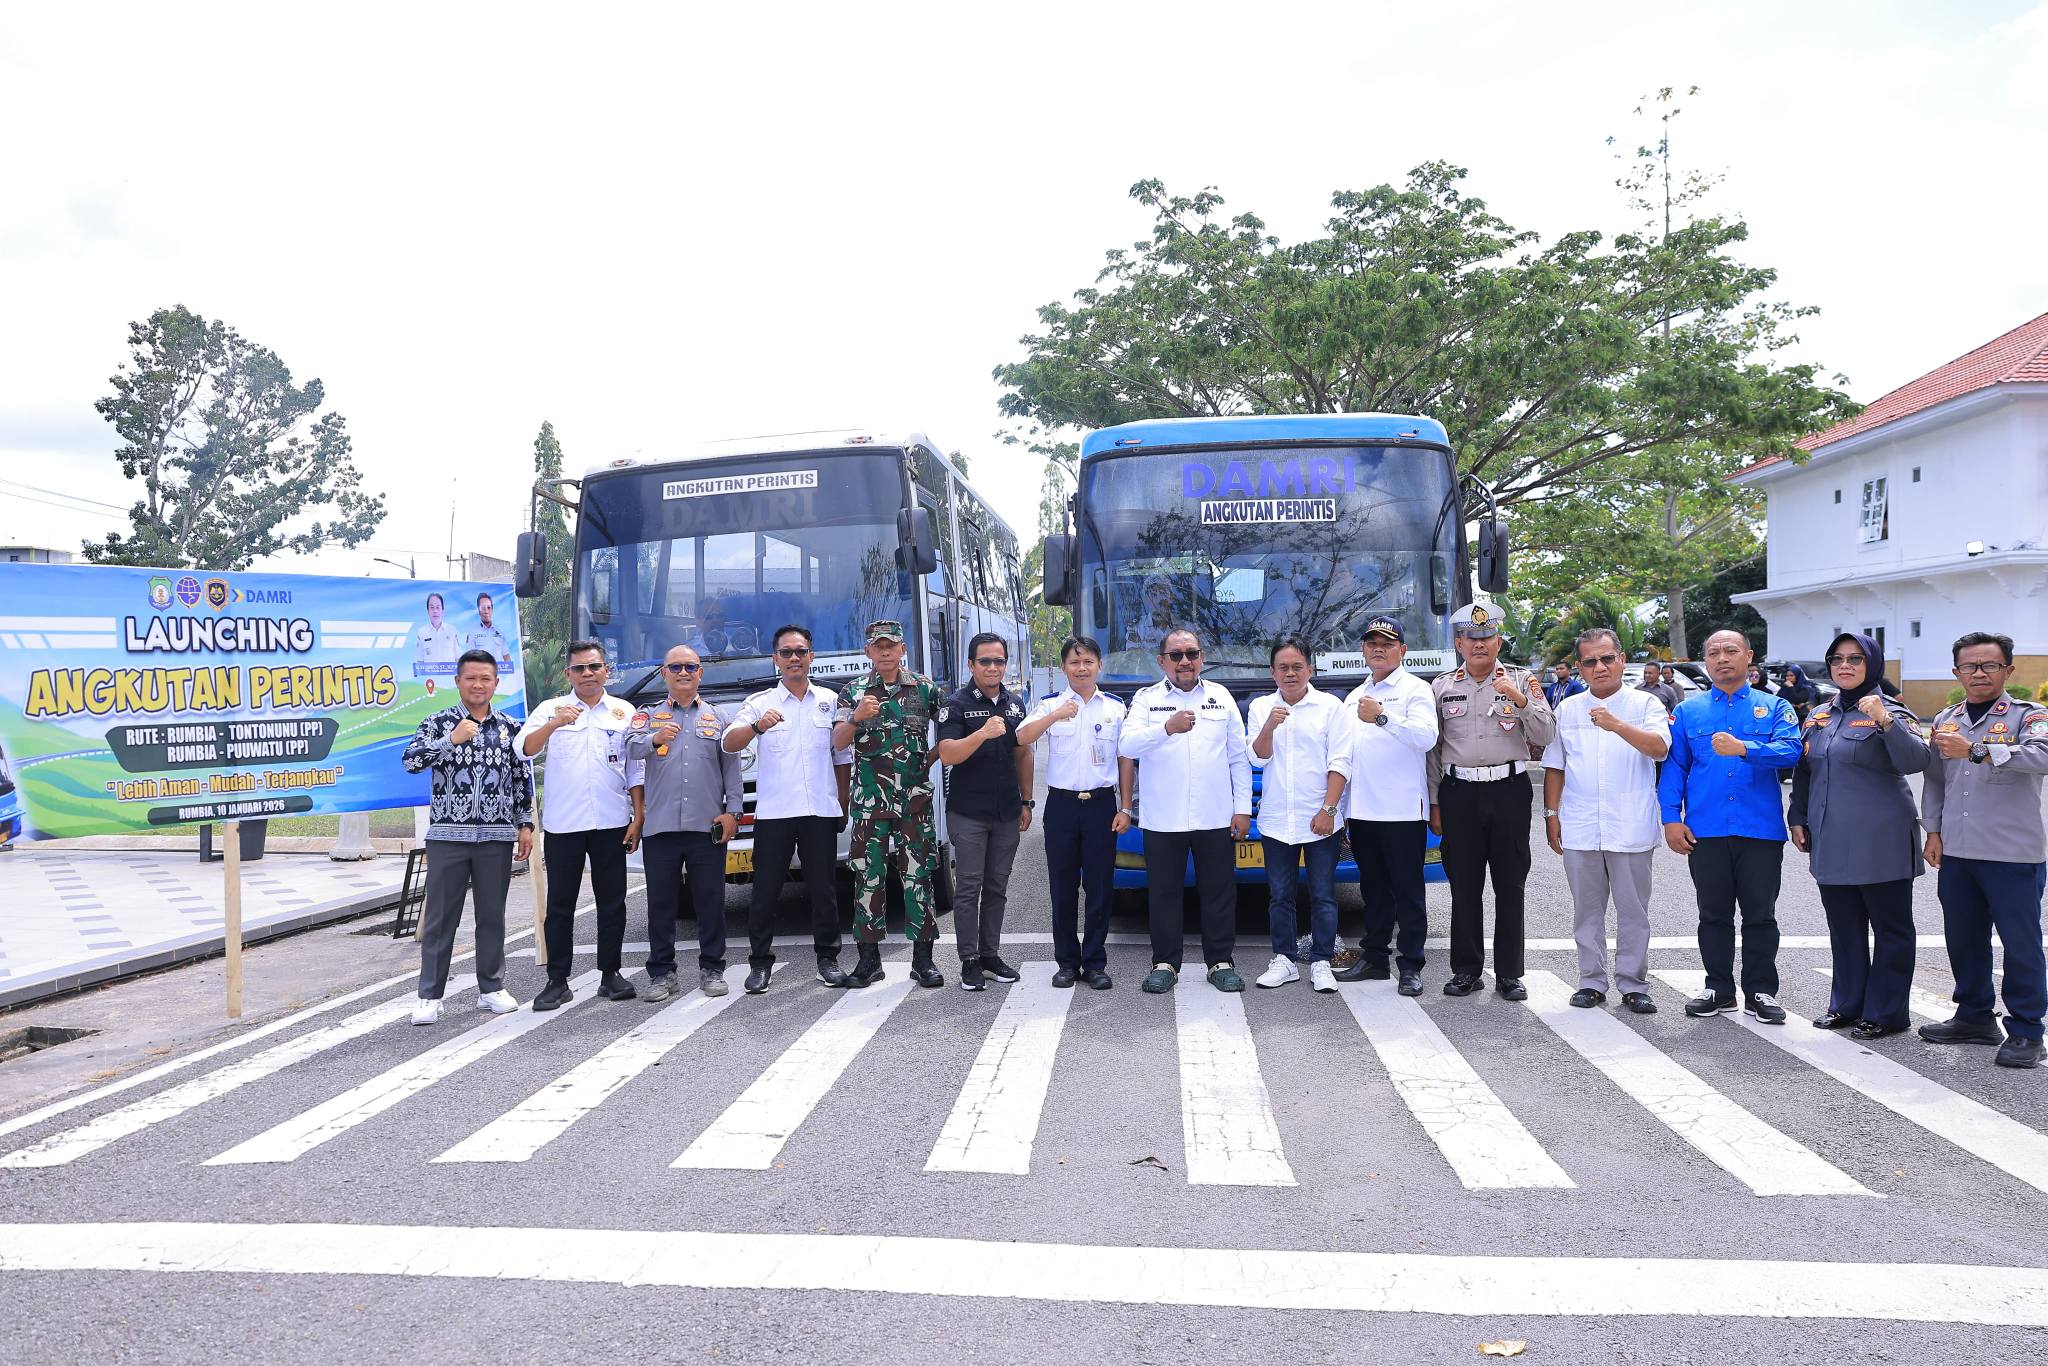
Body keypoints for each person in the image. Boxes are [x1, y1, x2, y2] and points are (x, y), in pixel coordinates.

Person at [1787, 632, 1929, 1039]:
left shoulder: (1894, 712)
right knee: (1844, 927)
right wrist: (1798, 816)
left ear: (1873, 664)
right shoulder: (1818, 716)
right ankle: (1847, 1004)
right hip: (1831, 837)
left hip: (1880, 838)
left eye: (1854, 659)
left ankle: (1886, 1012)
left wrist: (1884, 719)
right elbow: (1805, 772)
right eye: (1837, 659)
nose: (1844, 666)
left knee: (1891, 929)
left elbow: (1915, 760)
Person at [1658, 628, 1802, 1024]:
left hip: (1760, 831)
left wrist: (1745, 748)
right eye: (1714, 652)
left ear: (1748, 657)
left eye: (1731, 651)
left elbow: (1792, 750)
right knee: (1713, 914)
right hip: (1706, 829)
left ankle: (1760, 991)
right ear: (1706, 661)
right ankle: (1718, 988)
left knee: (1760, 914)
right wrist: (1671, 818)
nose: (1722, 658)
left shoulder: (1774, 707)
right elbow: (1675, 767)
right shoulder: (1689, 712)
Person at [1919, 631, 2048, 1069]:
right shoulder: (1945, 718)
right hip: (1958, 850)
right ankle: (1974, 1017)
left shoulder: (2029, 716)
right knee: (1964, 939)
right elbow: (1935, 780)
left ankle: (2028, 1030)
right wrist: (1933, 832)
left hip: (2013, 853)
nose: (1978, 673)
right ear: (1956, 672)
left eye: (1989, 665)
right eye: (1969, 666)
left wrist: (1978, 750)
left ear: (2008, 670)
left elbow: (2043, 755)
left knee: (2021, 943)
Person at [1429, 601, 1555, 1000]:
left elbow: (1547, 734)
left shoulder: (1522, 679)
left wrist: (1519, 701)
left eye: (1486, 637)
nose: (1479, 644)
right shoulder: (1442, 686)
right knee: (1464, 885)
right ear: (1459, 643)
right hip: (1458, 792)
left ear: (1498, 640)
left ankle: (1509, 973)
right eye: (1471, 638)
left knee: (1510, 883)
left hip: (1508, 791)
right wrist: (1434, 803)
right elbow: (1433, 750)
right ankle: (1467, 970)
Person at [400, 649, 534, 1024]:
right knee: (442, 918)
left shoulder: (509, 727)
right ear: (457, 681)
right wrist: (451, 740)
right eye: (471, 678)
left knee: (492, 915)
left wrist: (524, 824)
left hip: (496, 837)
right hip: (447, 836)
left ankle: (491, 988)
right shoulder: (438, 722)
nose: (478, 684)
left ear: (496, 683)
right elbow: (410, 761)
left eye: (486, 678)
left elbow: (522, 780)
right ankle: (430, 995)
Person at [1542, 628, 1670, 1013]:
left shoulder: (1646, 705)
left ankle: (1633, 983)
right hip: (1580, 823)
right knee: (1587, 910)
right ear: (1580, 667)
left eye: (1607, 658)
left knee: (1633, 910)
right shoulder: (1566, 709)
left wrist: (1617, 725)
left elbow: (1660, 749)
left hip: (1629, 824)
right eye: (1590, 661)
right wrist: (1551, 814)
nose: (1600, 667)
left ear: (1622, 660)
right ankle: (1591, 981)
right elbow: (1555, 766)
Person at [1121, 628, 1253, 994]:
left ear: (1202, 658)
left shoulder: (1220, 697)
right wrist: (1166, 727)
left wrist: (1242, 809)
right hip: (1163, 818)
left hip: (1214, 815)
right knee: (1163, 893)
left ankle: (1220, 962)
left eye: (1191, 654)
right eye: (1176, 655)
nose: (1185, 662)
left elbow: (1238, 758)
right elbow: (1127, 743)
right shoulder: (1147, 700)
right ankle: (1165, 963)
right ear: (1162, 661)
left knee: (1219, 891)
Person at [723, 624, 853, 992]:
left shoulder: (830, 700)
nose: (794, 658)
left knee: (823, 890)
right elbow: (729, 744)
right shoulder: (760, 703)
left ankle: (827, 960)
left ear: (811, 656)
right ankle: (760, 964)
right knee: (764, 890)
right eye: (786, 653)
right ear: (775, 659)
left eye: (800, 652)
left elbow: (841, 755)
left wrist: (841, 803)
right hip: (775, 814)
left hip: (819, 812)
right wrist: (756, 728)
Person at [518, 640, 643, 1010]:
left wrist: (639, 815)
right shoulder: (549, 709)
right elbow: (524, 749)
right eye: (579, 669)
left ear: (606, 670)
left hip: (611, 821)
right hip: (564, 825)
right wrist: (555, 724)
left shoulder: (623, 712)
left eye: (594, 667)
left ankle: (611, 974)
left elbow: (635, 766)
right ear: (568, 674)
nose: (587, 674)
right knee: (560, 905)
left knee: (613, 902)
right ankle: (558, 980)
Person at [834, 619, 948, 989]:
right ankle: (869, 961)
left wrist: (925, 762)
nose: (885, 651)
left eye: (891, 646)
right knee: (868, 879)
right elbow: (837, 742)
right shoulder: (851, 693)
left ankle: (923, 960)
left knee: (918, 878)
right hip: (870, 805)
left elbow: (949, 735)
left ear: (903, 650)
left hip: (914, 804)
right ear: (868, 651)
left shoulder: (927, 690)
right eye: (878, 646)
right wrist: (856, 718)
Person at [626, 644, 743, 1002]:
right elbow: (628, 750)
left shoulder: (720, 719)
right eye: (675, 667)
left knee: (711, 901)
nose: (683, 673)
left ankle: (712, 969)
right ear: (664, 673)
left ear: (700, 674)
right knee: (662, 905)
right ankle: (662, 974)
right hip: (660, 827)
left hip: (705, 827)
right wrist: (654, 740)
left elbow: (732, 771)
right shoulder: (646, 716)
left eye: (690, 667)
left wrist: (734, 813)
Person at [1018, 636, 1131, 989]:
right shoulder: (1051, 703)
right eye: (1073, 662)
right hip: (1062, 806)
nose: (1081, 668)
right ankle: (1066, 962)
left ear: (1099, 665)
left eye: (1088, 662)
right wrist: (1055, 715)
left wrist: (1126, 806)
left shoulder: (1115, 707)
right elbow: (1021, 738)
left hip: (1101, 806)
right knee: (1062, 887)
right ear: (1064, 667)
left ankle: (1095, 962)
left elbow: (1125, 758)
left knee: (1099, 887)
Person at [1333, 617, 1438, 993]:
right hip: (1362, 812)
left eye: (1387, 643)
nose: (1378, 648)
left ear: (1403, 651)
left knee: (1408, 893)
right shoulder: (1353, 696)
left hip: (1402, 812)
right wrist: (1342, 810)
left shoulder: (1415, 690)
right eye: (1371, 642)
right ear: (1362, 649)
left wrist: (1382, 716)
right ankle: (1374, 958)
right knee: (1373, 891)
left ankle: (1411, 965)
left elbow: (1426, 738)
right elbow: (1346, 756)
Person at [1246, 637, 1350, 993]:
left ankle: (1321, 961)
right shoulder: (1261, 707)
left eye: (1297, 667)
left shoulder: (1329, 707)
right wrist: (1270, 726)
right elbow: (1257, 757)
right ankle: (1285, 960)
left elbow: (1340, 762)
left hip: (1320, 818)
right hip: (1277, 819)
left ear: (1310, 669)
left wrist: (1328, 809)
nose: (1290, 674)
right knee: (1280, 895)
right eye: (1283, 668)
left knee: (1322, 894)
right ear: (1273, 672)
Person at [936, 632, 1033, 991]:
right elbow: (947, 754)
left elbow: (1023, 753)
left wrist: (1027, 801)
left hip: (1007, 811)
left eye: (999, 661)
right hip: (969, 812)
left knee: (997, 886)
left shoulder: (1015, 704)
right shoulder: (956, 704)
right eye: (985, 661)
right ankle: (969, 961)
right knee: (969, 888)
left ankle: (990, 955)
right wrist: (982, 734)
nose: (993, 668)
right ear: (971, 664)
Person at [413, 591, 461, 668]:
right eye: (432, 607)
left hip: (449, 678)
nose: (435, 611)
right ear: (428, 611)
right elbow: (419, 661)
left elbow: (458, 658)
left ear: (442, 610)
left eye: (438, 607)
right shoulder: (421, 632)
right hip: (430, 678)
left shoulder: (451, 630)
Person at [466, 592, 512, 663]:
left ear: (492, 609)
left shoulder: (499, 632)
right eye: (483, 608)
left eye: (488, 607)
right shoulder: (473, 632)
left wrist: (510, 672)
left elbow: (506, 657)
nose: (486, 611)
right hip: (481, 672)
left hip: (499, 673)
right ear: (478, 610)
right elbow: (469, 658)